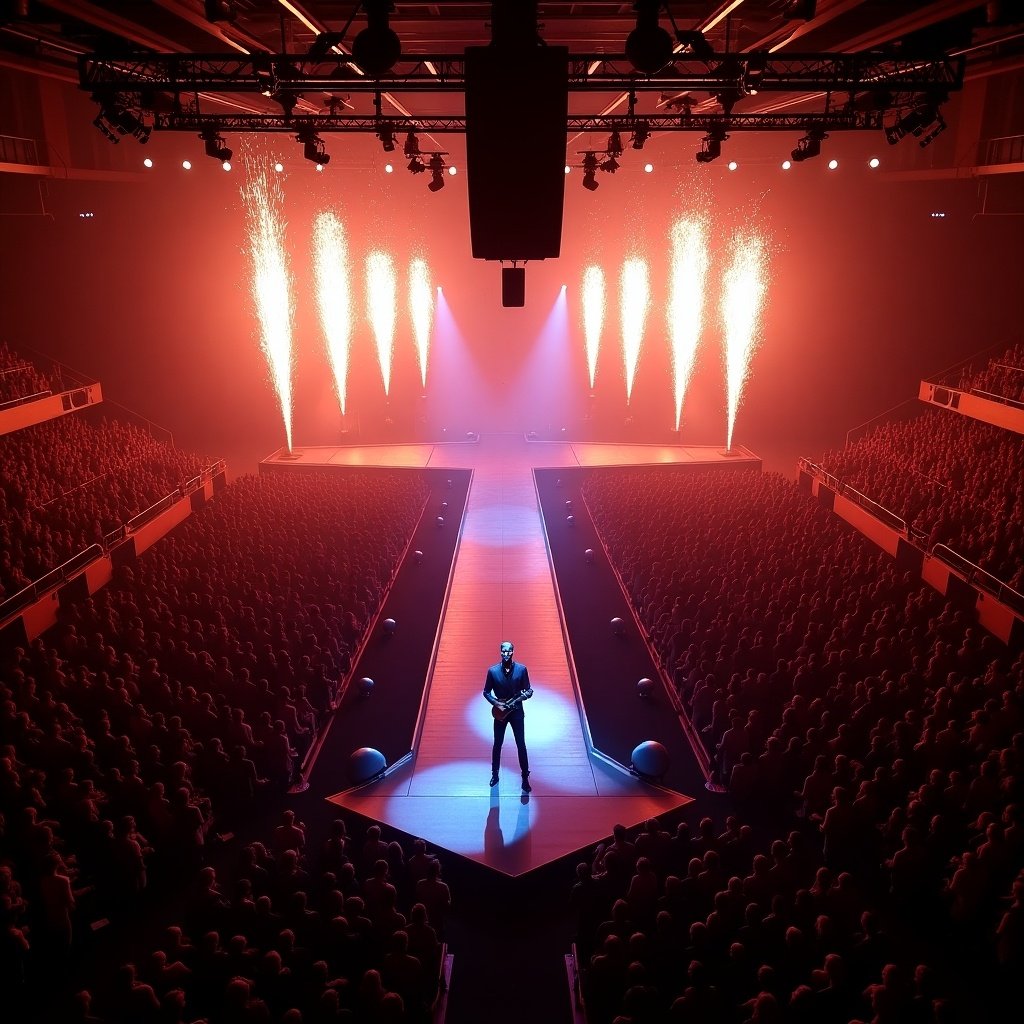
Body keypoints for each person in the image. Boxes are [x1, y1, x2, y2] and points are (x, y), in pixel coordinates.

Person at [482, 641, 534, 791]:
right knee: (497, 744)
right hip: (500, 713)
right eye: (503, 651)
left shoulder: (522, 669)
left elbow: (528, 690)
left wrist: (526, 695)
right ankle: (495, 774)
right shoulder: (492, 671)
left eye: (509, 651)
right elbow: (486, 692)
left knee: (521, 744)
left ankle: (525, 777)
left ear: (513, 652)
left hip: (517, 712)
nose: (506, 654)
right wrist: (496, 703)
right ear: (500, 652)